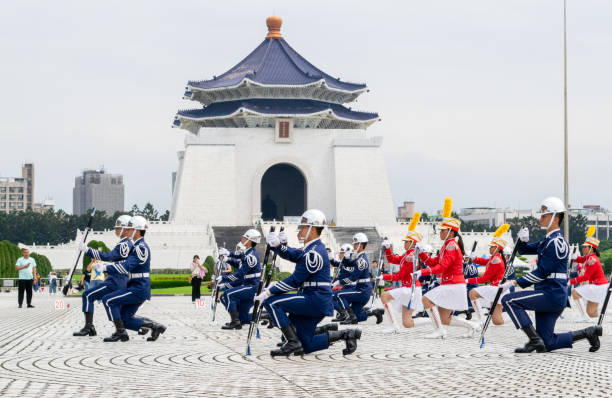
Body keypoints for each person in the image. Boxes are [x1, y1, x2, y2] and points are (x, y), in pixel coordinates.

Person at [500, 197, 602, 353]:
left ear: (556, 217)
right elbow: (524, 250)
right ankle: (588, 332)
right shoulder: (546, 240)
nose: (540, 219)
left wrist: (515, 282)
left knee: (510, 300)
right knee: (547, 343)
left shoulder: (557, 242)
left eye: (544, 216)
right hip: (547, 293)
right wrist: (521, 240)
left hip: (552, 294)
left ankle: (534, 340)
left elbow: (542, 272)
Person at [257, 209, 362, 356]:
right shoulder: (312, 248)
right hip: (314, 298)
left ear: (312, 229)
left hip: (314, 299)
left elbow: (295, 281)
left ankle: (292, 342)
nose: (299, 230)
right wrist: (278, 247)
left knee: (273, 302)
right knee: (305, 345)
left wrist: (269, 291)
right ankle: (346, 334)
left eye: (303, 227)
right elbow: (295, 254)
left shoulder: (314, 252)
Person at [415, 198, 479, 339]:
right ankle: (472, 325)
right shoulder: (446, 245)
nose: (440, 232)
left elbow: (442, 267)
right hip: (451, 284)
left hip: (453, 284)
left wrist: (422, 271)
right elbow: (433, 262)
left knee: (426, 299)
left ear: (451, 232)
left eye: (443, 230)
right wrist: (421, 253)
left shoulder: (451, 246)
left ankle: (440, 331)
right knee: (445, 318)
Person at [99, 216, 166, 342]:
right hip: (136, 285)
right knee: (125, 318)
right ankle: (155, 326)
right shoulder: (135, 246)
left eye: (130, 229)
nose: (127, 231)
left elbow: (126, 266)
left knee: (108, 300)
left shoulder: (141, 247)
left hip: (139, 287)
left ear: (137, 230)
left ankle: (120, 332)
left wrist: (106, 268)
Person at [73, 215, 133, 337]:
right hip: (117, 279)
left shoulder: (124, 244)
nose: (115, 230)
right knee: (120, 311)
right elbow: (117, 261)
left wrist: (87, 250)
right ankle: (150, 326)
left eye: (118, 228)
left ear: (126, 229)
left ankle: (89, 327)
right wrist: (105, 265)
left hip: (116, 281)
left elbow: (109, 256)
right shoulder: (124, 243)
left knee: (88, 295)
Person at [379, 227, 429, 333]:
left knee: (384, 296)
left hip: (411, 289)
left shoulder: (410, 257)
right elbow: (391, 259)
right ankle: (433, 320)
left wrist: (384, 276)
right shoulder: (406, 255)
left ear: (412, 243)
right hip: (409, 289)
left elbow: (399, 276)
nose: (404, 243)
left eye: (406, 242)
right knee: (407, 323)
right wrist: (388, 248)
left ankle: (393, 325)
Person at [216, 229, 262, 330]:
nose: (242, 238)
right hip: (248, 286)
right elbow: (239, 261)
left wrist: (224, 278)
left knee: (228, 294)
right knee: (244, 318)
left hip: (252, 287)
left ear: (249, 241)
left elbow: (239, 274)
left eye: (245, 237)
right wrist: (228, 257)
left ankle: (235, 322)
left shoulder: (251, 256)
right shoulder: (248, 253)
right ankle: (264, 315)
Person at [335, 233, 384, 325]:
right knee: (357, 316)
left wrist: (339, 282)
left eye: (355, 243)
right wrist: (346, 258)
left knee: (339, 295)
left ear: (360, 245)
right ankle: (374, 312)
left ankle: (350, 317)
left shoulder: (361, 260)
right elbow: (350, 263)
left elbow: (353, 277)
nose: (353, 245)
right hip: (362, 288)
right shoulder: (359, 258)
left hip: (363, 290)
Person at [569, 228, 608, 322]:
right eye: (583, 247)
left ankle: (584, 316)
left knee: (575, 292)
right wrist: (575, 258)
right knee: (591, 312)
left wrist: (571, 281)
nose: (583, 249)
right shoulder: (590, 257)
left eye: (585, 247)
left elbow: (586, 277)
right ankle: (597, 319)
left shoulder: (592, 260)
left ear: (591, 249)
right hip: (599, 286)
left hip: (598, 286)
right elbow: (582, 259)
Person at [467, 235, 508, 326]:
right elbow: (484, 261)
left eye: (492, 246)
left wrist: (467, 280)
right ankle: (514, 315)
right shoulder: (494, 258)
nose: (490, 248)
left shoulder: (496, 260)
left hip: (497, 288)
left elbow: (485, 279)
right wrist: (475, 258)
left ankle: (480, 319)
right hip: (498, 288)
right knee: (497, 321)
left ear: (497, 248)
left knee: (472, 293)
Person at [330, 243, 355, 322]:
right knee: (330, 296)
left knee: (330, 296)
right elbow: (336, 264)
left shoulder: (350, 263)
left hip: (348, 287)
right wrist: (331, 259)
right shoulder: (344, 263)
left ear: (347, 253)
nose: (339, 254)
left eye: (341, 252)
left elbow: (345, 276)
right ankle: (341, 313)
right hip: (343, 286)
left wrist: (336, 282)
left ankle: (343, 313)